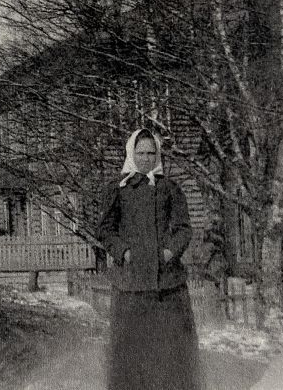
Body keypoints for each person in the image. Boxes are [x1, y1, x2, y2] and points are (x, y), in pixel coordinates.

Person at [97, 127, 204, 390]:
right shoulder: (117, 189)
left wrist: (169, 252)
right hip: (130, 284)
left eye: (151, 153)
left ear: (158, 155)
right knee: (132, 351)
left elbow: (183, 229)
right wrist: (124, 252)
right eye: (140, 153)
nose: (146, 158)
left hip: (167, 284)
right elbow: (105, 229)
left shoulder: (170, 188)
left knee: (170, 350)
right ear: (131, 154)